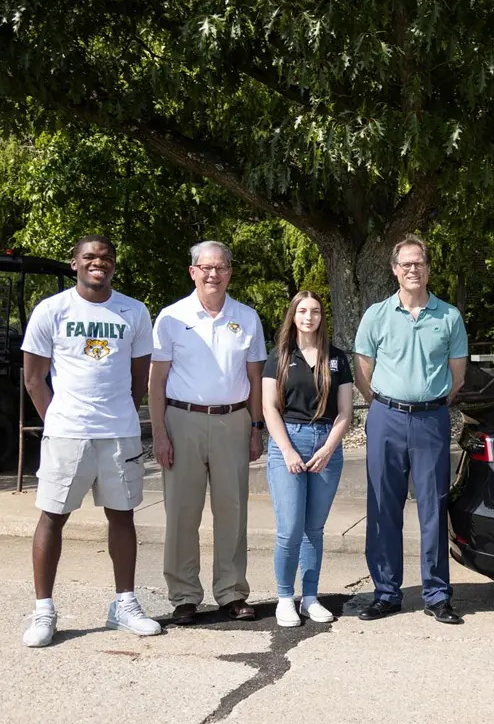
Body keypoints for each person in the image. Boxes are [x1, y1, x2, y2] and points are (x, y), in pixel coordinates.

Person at [19, 235, 162, 647]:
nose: (98, 263)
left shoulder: (134, 311)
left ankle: (124, 605)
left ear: (113, 265)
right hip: (67, 432)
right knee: (52, 516)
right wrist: (58, 421)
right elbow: (33, 378)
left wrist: (121, 412)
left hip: (118, 432)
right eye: (89, 257)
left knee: (122, 516)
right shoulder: (52, 310)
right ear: (75, 263)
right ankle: (44, 610)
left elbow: (139, 377)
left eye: (105, 257)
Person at [150, 240, 268, 624]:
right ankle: (184, 595)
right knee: (182, 512)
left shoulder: (247, 317)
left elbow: (255, 378)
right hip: (182, 420)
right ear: (193, 272)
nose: (213, 274)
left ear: (230, 272)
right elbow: (157, 381)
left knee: (232, 510)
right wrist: (159, 434)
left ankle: (231, 592)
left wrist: (255, 427)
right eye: (206, 267)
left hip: (233, 421)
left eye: (220, 267)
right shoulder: (171, 317)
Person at [354, 234, 468, 624]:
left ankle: (436, 595)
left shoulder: (448, 317)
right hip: (386, 417)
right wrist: (383, 404)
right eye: (405, 264)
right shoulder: (377, 315)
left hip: (431, 420)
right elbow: (363, 369)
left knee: (433, 508)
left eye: (418, 262)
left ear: (428, 268)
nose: (412, 269)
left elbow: (457, 377)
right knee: (383, 507)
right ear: (394, 269)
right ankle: (386, 593)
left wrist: (429, 404)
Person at [262, 291, 355, 627]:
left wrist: (328, 449)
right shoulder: (280, 356)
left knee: (313, 530)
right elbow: (269, 408)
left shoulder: (338, 358)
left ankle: (310, 597)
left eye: (315, 311)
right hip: (289, 441)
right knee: (290, 529)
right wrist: (286, 450)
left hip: (326, 445)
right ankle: (285, 598)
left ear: (321, 317)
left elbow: (345, 412)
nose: (309, 317)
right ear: (293, 316)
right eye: (302, 311)